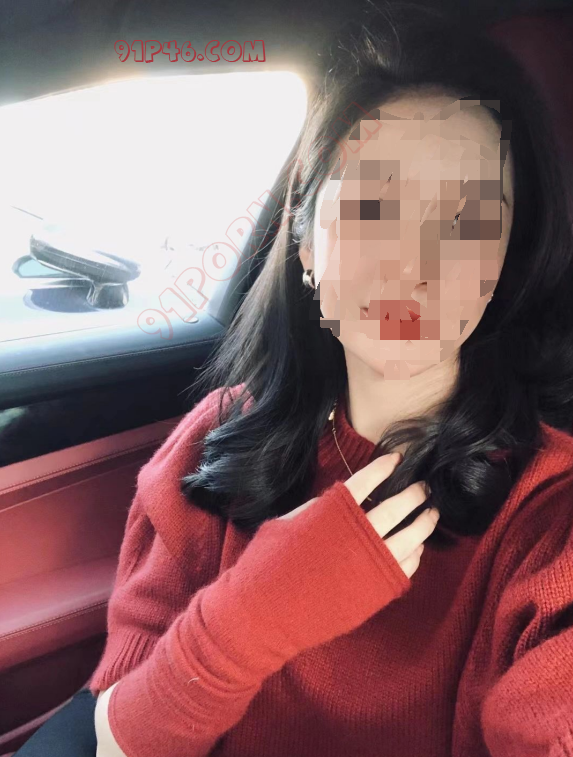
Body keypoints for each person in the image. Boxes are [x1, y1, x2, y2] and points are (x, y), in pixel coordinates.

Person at [14, 2, 573, 756]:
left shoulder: (548, 515)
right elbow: (113, 741)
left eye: (466, 220)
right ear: (306, 243)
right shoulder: (216, 440)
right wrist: (252, 617)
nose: (415, 264)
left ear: (504, 259)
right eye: (374, 207)